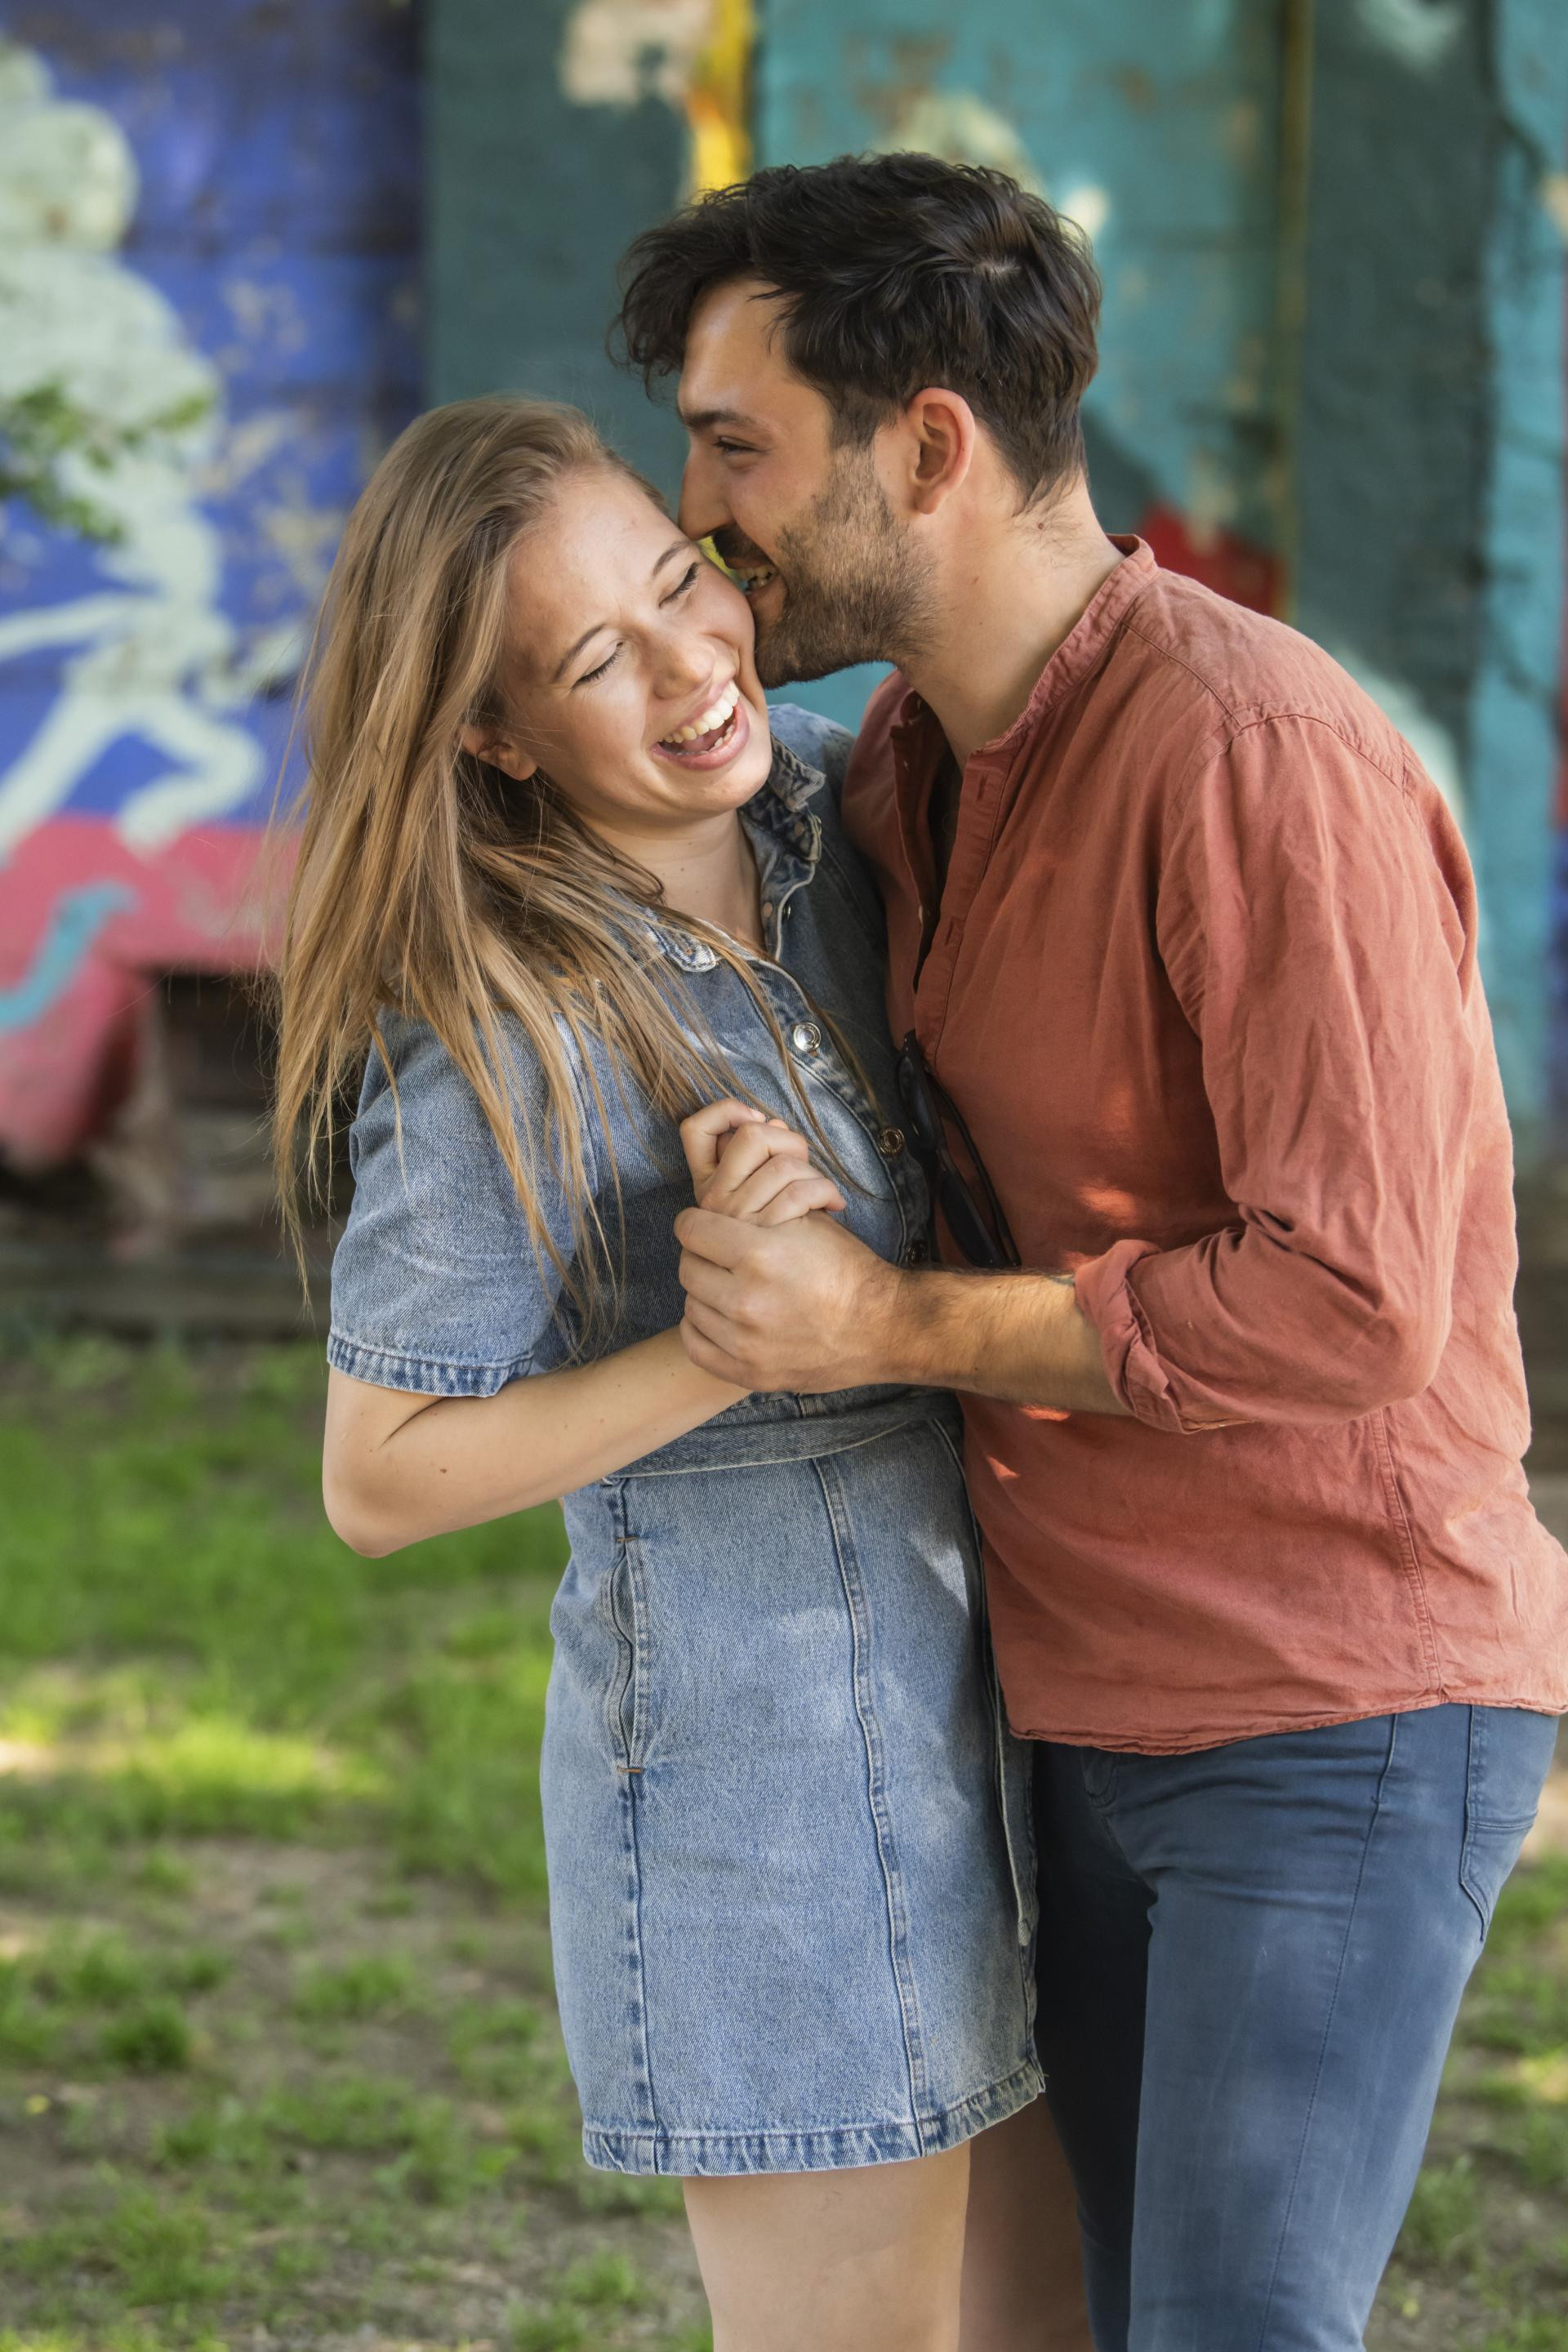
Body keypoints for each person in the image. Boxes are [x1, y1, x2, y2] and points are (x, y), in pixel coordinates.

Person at [615, 151, 1568, 2350]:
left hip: (1332, 1705)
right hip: (1078, 1700)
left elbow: (1353, 1297)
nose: (699, 514)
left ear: (927, 446)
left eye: (738, 447)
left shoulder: (1255, 754)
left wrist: (880, 1321)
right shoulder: (909, 769)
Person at [269, 394, 1094, 2352]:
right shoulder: (508, 1020)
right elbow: (379, 1477)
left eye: (675, 582)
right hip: (764, 1804)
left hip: (1016, 1730)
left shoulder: (837, 807)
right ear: (495, 736)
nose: (688, 668)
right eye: (591, 662)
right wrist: (720, 1350)